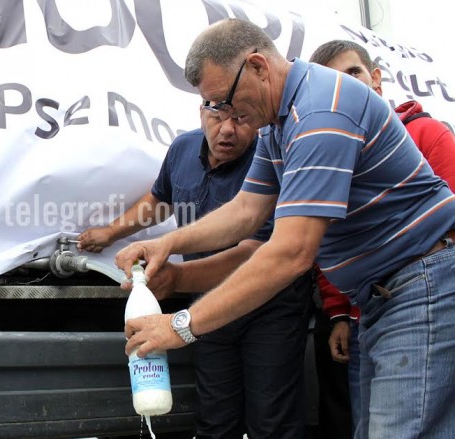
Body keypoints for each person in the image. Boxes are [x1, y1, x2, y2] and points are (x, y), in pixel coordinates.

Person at [116, 18, 455, 439]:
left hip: (421, 285)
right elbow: (245, 211)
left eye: (225, 100)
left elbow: (290, 253)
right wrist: (168, 242)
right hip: (385, 295)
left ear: (258, 66)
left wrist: (180, 325)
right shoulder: (279, 126)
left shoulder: (319, 112)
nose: (225, 116)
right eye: (212, 107)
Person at [78, 108, 311, 438]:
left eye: (240, 118)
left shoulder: (271, 159)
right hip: (209, 309)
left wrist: (176, 278)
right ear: (202, 110)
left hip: (270, 309)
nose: (227, 129)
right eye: (217, 116)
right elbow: (162, 198)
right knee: (215, 418)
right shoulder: (183, 149)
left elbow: (255, 253)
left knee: (272, 421)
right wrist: (111, 233)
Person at [307, 38, 455, 437]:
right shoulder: (330, 149)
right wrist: (339, 311)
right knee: (370, 426)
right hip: (365, 313)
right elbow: (326, 239)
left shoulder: (425, 133)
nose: (344, 87)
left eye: (352, 73)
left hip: (426, 300)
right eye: (332, 81)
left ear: (376, 79)